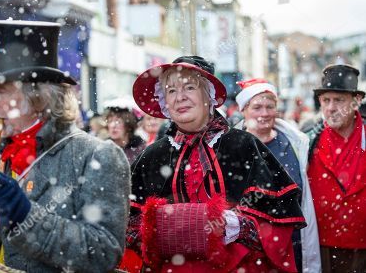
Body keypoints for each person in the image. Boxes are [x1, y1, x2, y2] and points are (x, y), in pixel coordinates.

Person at [0, 20, 129, 272]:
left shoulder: (96, 155)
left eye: (0, 91)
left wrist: (26, 216)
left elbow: (103, 253)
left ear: (37, 96)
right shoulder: (1, 155)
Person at [128, 56, 306, 272]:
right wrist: (154, 230)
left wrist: (238, 226)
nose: (179, 97)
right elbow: (128, 225)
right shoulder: (152, 155)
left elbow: (278, 219)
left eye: (189, 87)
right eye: (171, 90)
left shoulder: (243, 145)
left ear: (209, 96)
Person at [234, 78, 321, 273]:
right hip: (250, 248)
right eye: (257, 107)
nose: (264, 113)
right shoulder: (231, 147)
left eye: (269, 107)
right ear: (243, 110)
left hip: (294, 243)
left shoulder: (295, 142)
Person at [307, 64, 366, 272]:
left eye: (339, 100)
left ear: (356, 102)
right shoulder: (307, 140)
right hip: (321, 247)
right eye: (326, 100)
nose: (330, 108)